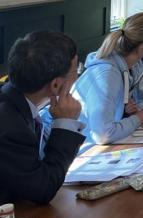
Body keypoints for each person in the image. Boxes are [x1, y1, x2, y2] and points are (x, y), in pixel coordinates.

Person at [0, 31, 85, 204]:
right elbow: (43, 188)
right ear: (56, 84)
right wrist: (65, 124)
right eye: (77, 69)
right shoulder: (10, 127)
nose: (78, 75)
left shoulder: (14, 100)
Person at [70, 12, 143, 149]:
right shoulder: (107, 75)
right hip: (83, 149)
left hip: (105, 143)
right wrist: (138, 118)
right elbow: (102, 134)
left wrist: (134, 110)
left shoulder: (136, 64)